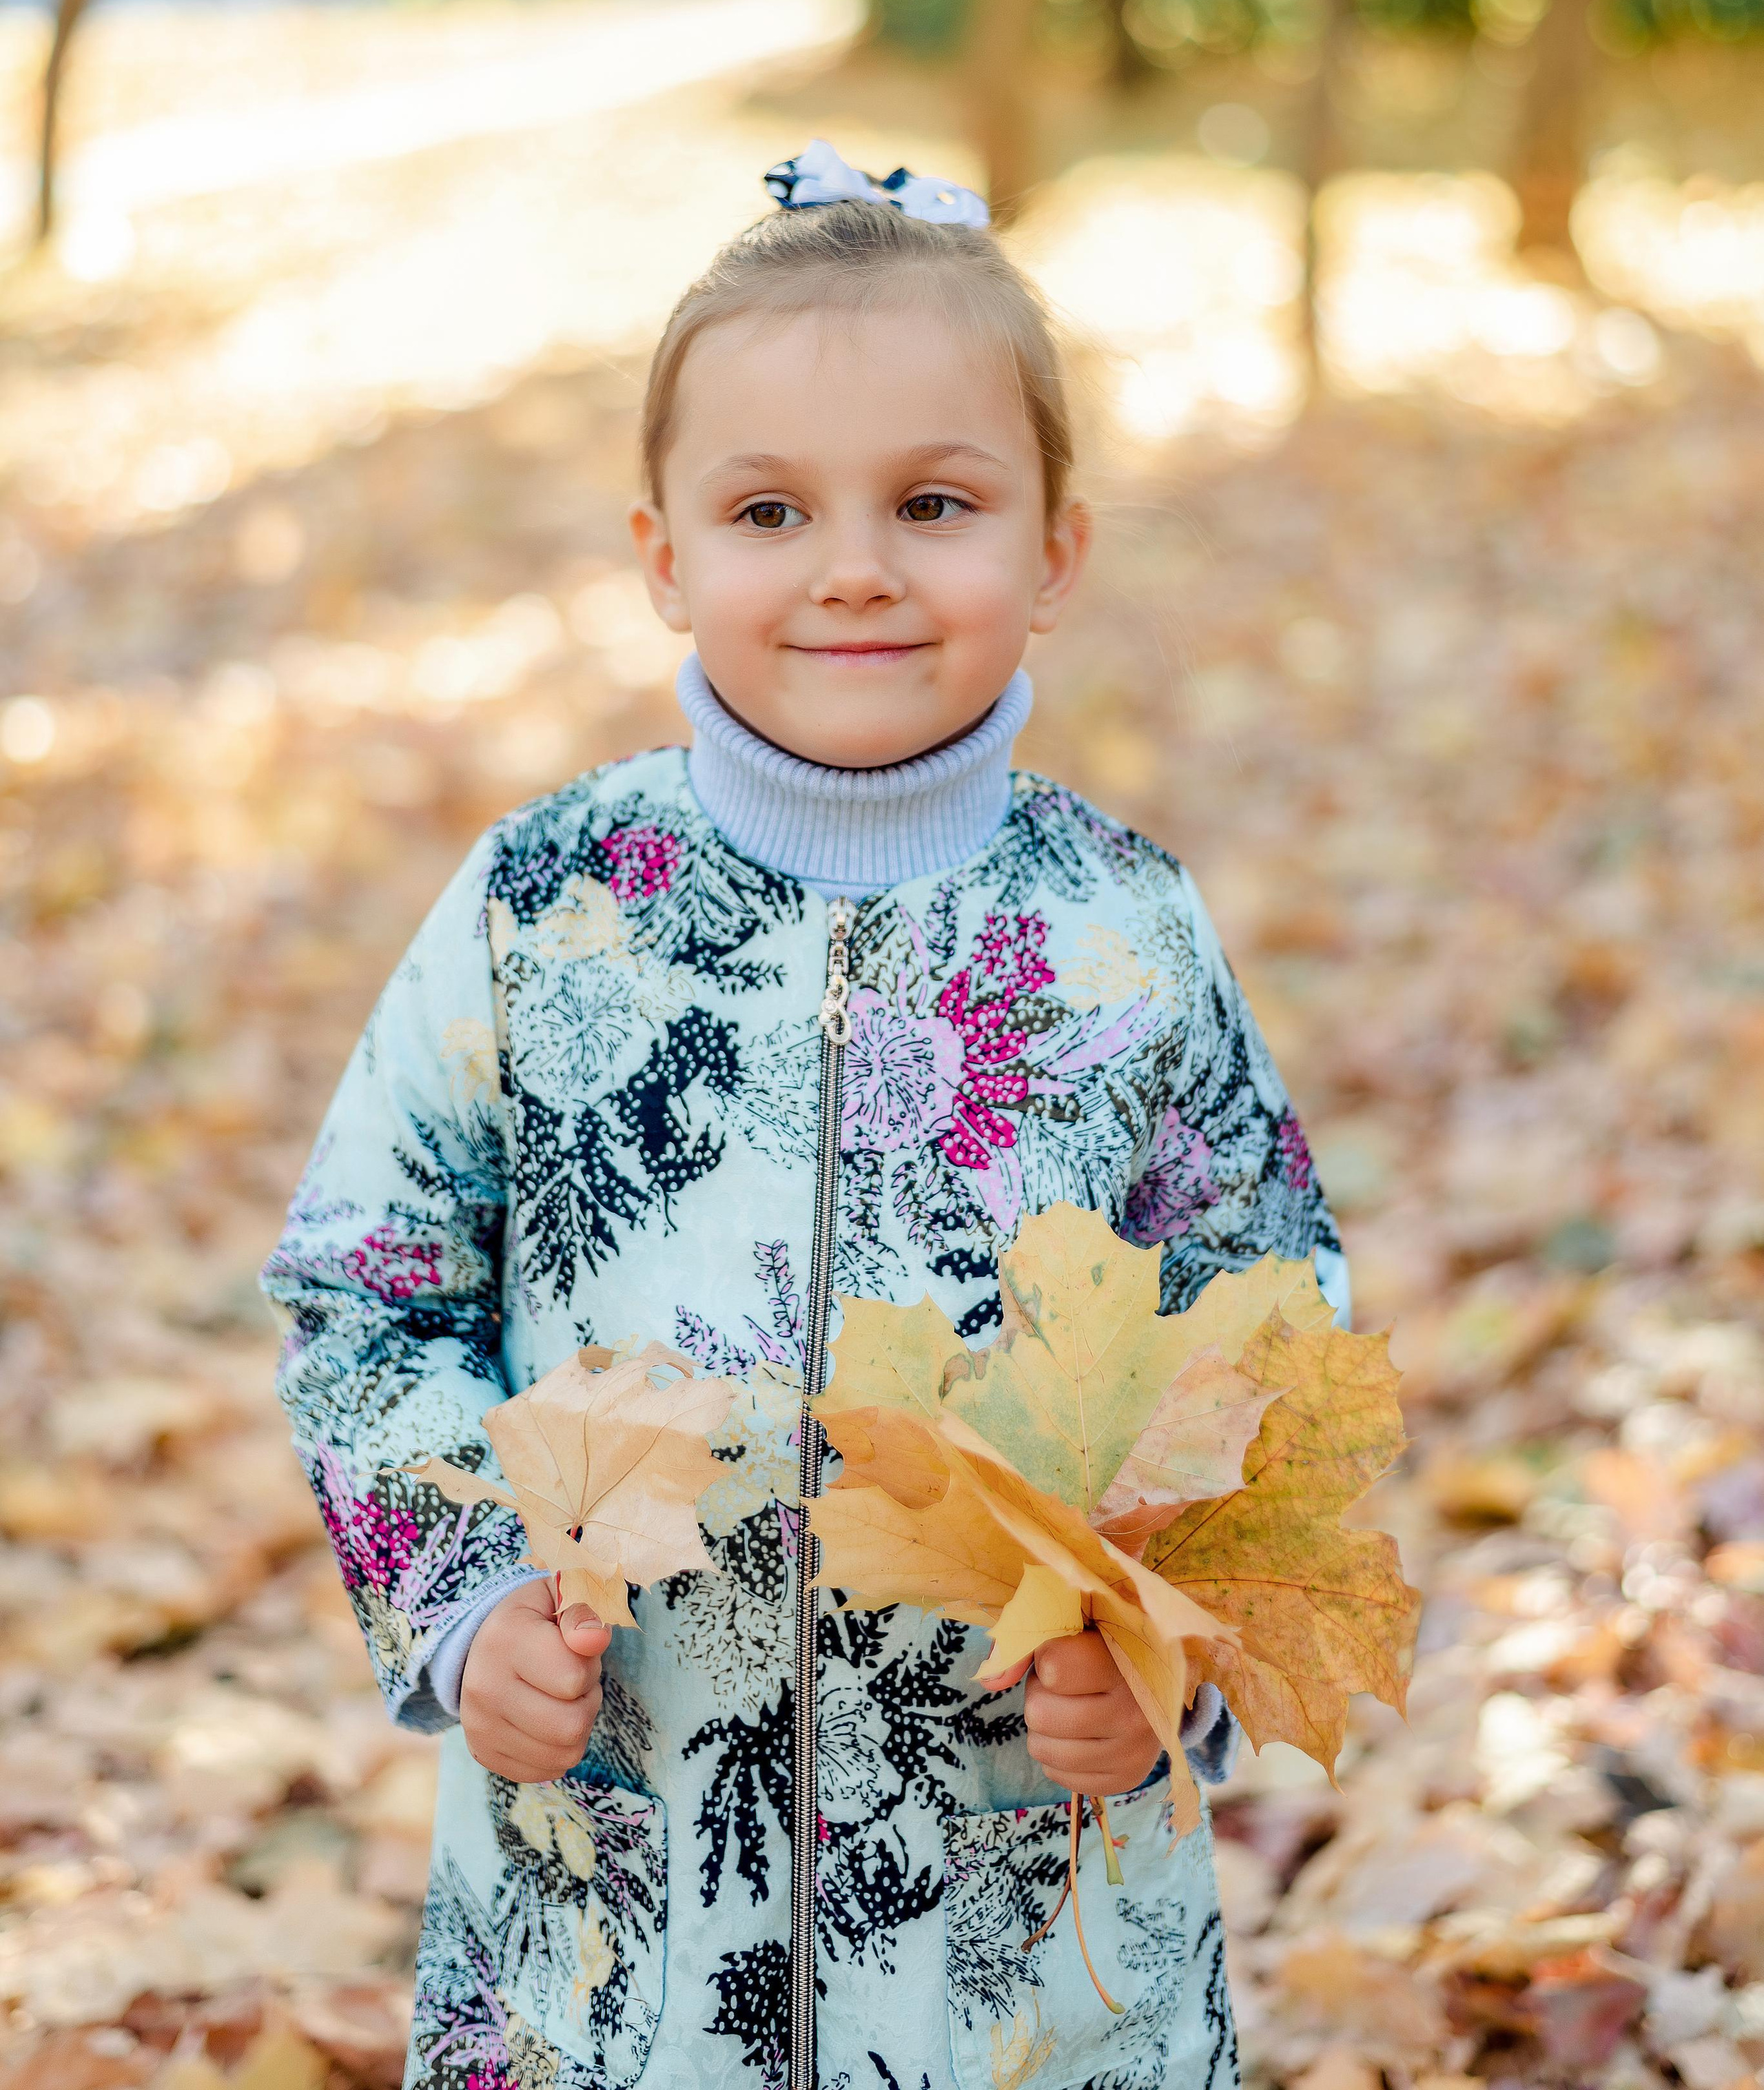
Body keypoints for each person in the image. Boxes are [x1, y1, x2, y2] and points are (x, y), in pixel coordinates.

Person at [263, 141, 1349, 2090]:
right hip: (622, 1888)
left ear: (1055, 548)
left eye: (934, 502)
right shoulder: (544, 906)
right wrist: (466, 1599)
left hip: (1021, 1893)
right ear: (664, 553)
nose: (855, 564)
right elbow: (364, 1287)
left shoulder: (1121, 933)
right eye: (772, 508)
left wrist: (1164, 1658)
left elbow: (1267, 1315)